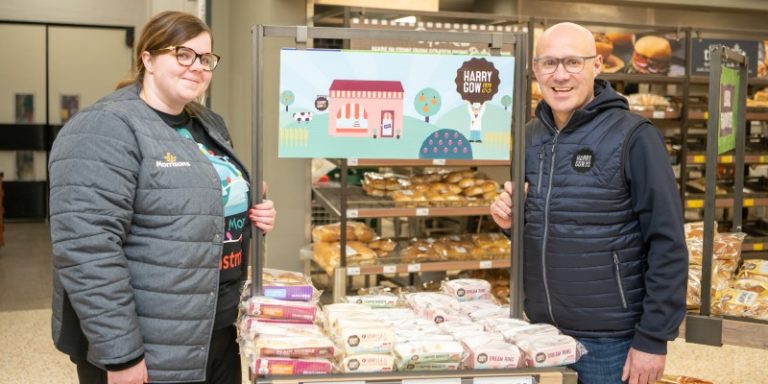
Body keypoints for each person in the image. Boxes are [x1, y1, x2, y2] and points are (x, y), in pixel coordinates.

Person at [49, 11, 276, 384]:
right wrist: (121, 355)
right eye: (183, 54)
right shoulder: (104, 128)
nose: (197, 67)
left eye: (206, 59)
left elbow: (197, 205)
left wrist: (253, 212)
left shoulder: (208, 123)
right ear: (148, 58)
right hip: (150, 336)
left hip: (215, 324)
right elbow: (87, 249)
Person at [490, 22, 687, 384]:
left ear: (597, 65)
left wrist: (653, 339)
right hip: (542, 332)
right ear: (536, 70)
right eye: (549, 63)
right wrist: (511, 225)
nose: (560, 75)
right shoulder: (530, 135)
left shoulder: (634, 136)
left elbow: (668, 242)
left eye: (572, 63)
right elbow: (545, 227)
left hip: (609, 342)